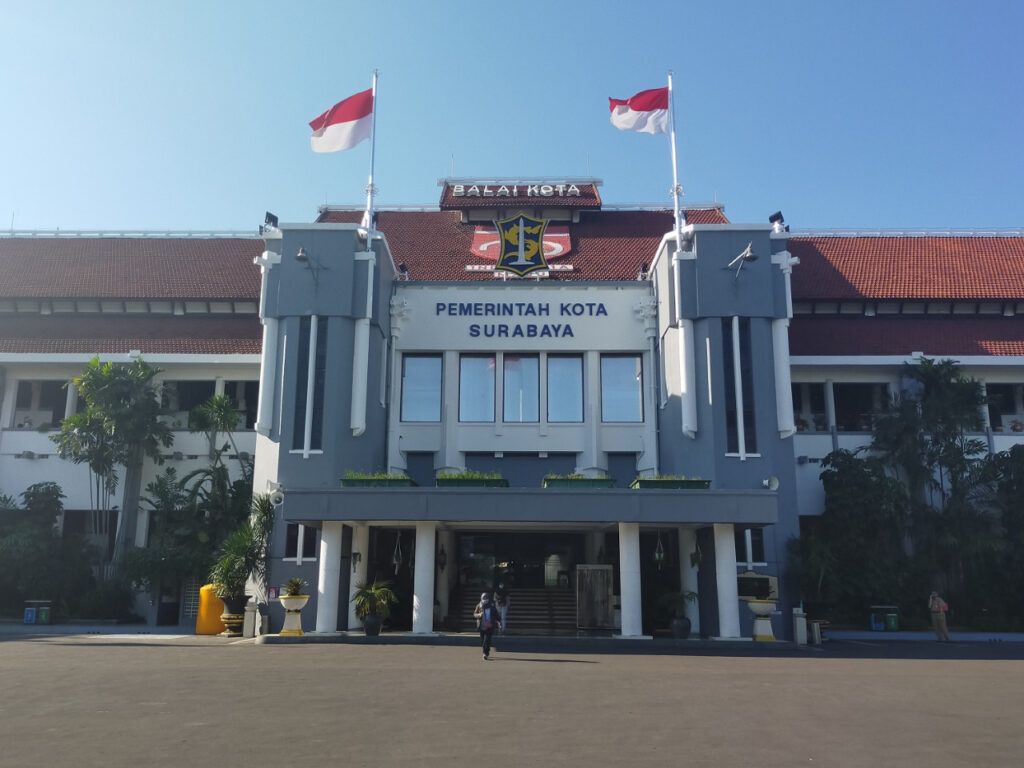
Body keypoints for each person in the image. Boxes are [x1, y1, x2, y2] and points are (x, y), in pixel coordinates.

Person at [473, 592, 502, 659]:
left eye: (486, 598)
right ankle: (485, 651)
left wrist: (499, 622)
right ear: (481, 598)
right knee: (483, 641)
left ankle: (485, 653)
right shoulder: (479, 605)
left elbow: (496, 615)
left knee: (487, 640)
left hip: (489, 626)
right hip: (482, 626)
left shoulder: (492, 606)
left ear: (488, 598)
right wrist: (479, 615)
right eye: (484, 598)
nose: (485, 599)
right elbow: (474, 614)